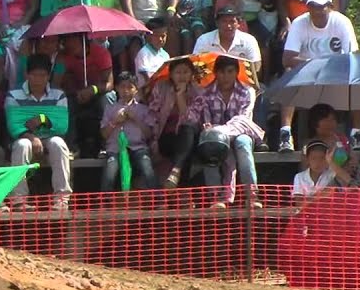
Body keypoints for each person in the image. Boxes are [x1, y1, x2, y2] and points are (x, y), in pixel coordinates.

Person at [279, 0, 360, 152]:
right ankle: (285, 134)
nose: (317, 10)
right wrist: (315, 63)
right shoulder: (299, 23)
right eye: (313, 6)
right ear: (308, 6)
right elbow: (287, 59)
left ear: (330, 6)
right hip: (307, 75)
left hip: (336, 76)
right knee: (288, 75)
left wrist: (331, 67)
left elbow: (354, 57)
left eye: (321, 6)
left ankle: (357, 134)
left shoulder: (342, 22)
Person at [186, 55, 263, 207]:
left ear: (236, 72)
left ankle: (252, 195)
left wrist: (221, 131)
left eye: (230, 71)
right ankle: (217, 197)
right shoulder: (205, 93)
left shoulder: (247, 91)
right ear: (215, 72)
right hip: (215, 138)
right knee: (210, 143)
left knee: (242, 143)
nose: (226, 76)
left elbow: (243, 120)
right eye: (221, 72)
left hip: (242, 133)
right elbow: (196, 119)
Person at [6, 54, 73, 209]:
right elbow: (14, 125)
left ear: (49, 76)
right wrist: (32, 137)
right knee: (22, 145)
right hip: (25, 138)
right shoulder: (14, 95)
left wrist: (42, 118)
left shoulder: (59, 96)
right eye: (34, 75)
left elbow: (62, 126)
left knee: (59, 143)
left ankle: (62, 199)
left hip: (50, 138)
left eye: (43, 75)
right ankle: (18, 200)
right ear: (27, 75)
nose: (38, 79)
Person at [147, 55, 200, 187]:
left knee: (187, 132)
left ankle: (176, 173)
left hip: (190, 136)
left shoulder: (197, 91)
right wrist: (153, 141)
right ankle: (182, 193)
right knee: (183, 149)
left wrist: (180, 97)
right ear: (171, 74)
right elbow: (153, 115)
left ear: (192, 74)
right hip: (166, 137)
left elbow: (191, 119)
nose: (182, 76)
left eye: (186, 72)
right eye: (178, 72)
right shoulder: (161, 87)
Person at [60, 34, 114, 157]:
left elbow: (110, 84)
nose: (69, 44)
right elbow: (62, 82)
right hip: (76, 94)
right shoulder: (63, 57)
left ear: (82, 40)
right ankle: (71, 147)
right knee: (65, 102)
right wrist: (77, 92)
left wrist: (93, 89)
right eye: (66, 40)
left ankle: (107, 145)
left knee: (108, 98)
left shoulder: (101, 53)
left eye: (72, 39)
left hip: (99, 93)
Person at [100, 73, 157, 189]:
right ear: (116, 88)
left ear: (136, 90)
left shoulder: (143, 109)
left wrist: (135, 118)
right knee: (110, 170)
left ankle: (158, 200)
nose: (125, 90)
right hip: (115, 148)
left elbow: (148, 135)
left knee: (146, 166)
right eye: (122, 86)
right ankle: (105, 202)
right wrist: (115, 121)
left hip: (138, 147)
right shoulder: (110, 109)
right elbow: (104, 134)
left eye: (130, 87)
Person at [194, 7, 261, 73]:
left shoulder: (249, 40)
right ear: (217, 23)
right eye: (224, 21)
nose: (228, 26)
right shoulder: (204, 40)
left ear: (238, 24)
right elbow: (195, 64)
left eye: (232, 21)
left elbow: (256, 66)